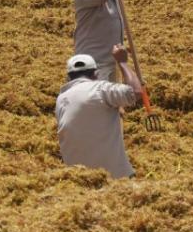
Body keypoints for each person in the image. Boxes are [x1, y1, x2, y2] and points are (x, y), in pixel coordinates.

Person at [55, 44, 143, 178]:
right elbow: (135, 92)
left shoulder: (61, 100)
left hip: (77, 178)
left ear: (69, 78)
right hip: (113, 178)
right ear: (96, 74)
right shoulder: (100, 89)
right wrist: (123, 62)